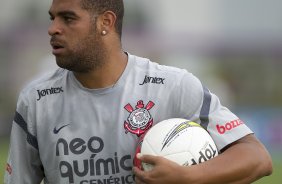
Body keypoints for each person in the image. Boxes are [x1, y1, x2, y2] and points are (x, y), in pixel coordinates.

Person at [4, 0, 273, 183]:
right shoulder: (36, 101)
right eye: (52, 18)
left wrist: (189, 177)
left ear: (105, 22)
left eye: (68, 18)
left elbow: (257, 158)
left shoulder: (173, 87)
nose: (53, 28)